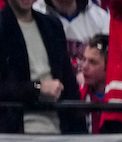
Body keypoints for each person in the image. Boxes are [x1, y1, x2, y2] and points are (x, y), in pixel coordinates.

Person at [0, 0, 87, 134]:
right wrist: (37, 87)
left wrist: (82, 137)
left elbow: (70, 87)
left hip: (61, 131)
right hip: (15, 133)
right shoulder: (3, 27)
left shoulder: (53, 26)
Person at [78, 33, 106, 132]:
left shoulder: (121, 101)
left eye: (92, 62)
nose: (84, 67)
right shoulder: (77, 96)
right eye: (84, 59)